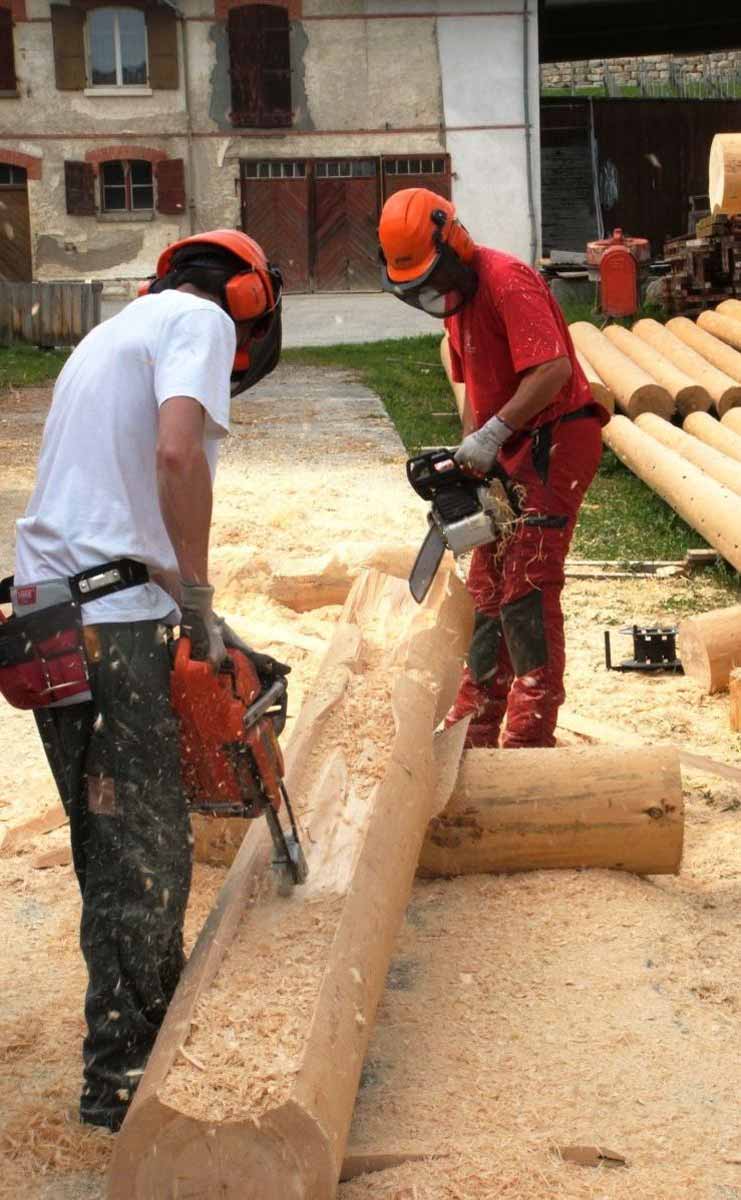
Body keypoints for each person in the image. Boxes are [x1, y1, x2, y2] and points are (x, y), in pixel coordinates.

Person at [3, 229, 285, 1132]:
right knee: (146, 851)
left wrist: (191, 604)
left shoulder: (110, 336)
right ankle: (128, 1079)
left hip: (58, 611)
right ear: (246, 302)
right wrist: (198, 592)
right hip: (105, 626)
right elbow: (174, 455)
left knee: (109, 839)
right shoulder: (199, 320)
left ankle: (125, 1046)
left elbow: (108, 504)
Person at [378, 188, 608, 749]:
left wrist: (494, 435)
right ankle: (475, 718)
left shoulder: (507, 280)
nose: (433, 296)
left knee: (526, 580)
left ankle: (530, 733)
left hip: (557, 438)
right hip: (508, 444)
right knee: (486, 584)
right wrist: (468, 459)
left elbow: (552, 368)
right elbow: (475, 392)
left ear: (453, 246)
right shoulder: (457, 304)